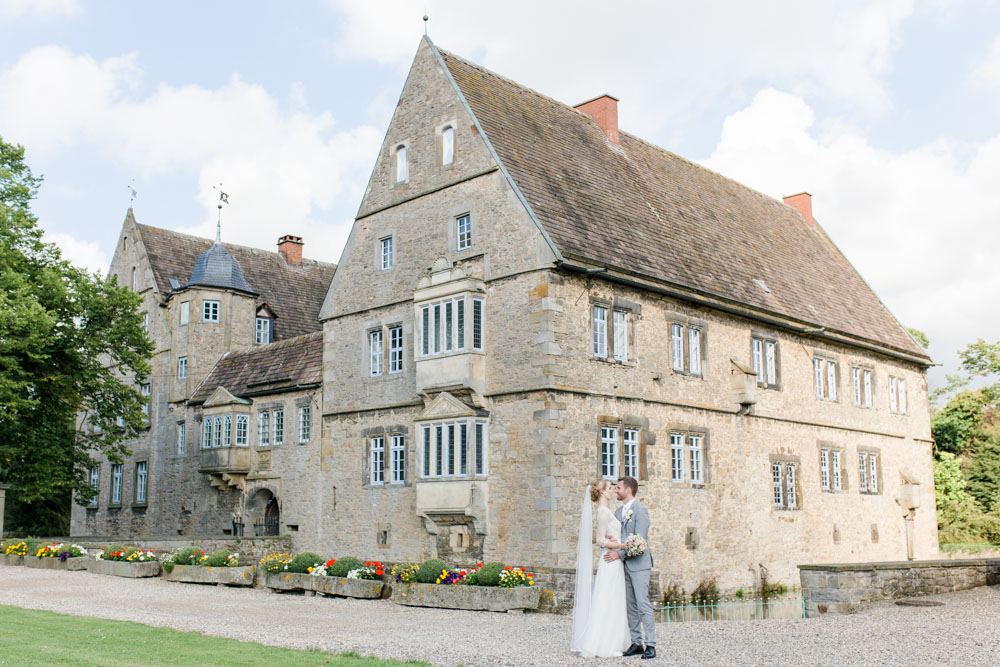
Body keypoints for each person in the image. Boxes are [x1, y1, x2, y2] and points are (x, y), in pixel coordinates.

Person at [571, 479, 631, 658]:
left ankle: (610, 641)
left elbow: (603, 538)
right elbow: (599, 540)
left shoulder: (604, 511)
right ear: (603, 492)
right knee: (608, 599)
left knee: (612, 599)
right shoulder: (603, 512)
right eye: (610, 488)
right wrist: (622, 546)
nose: (613, 491)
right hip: (610, 561)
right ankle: (605, 644)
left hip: (612, 562)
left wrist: (613, 543)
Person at [604, 476, 656, 659]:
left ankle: (651, 644)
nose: (616, 490)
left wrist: (619, 554)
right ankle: (636, 642)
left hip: (640, 565)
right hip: (623, 566)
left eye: (618, 488)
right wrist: (609, 542)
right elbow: (615, 535)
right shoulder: (618, 512)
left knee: (643, 603)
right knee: (630, 606)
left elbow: (640, 542)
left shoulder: (641, 511)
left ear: (628, 490)